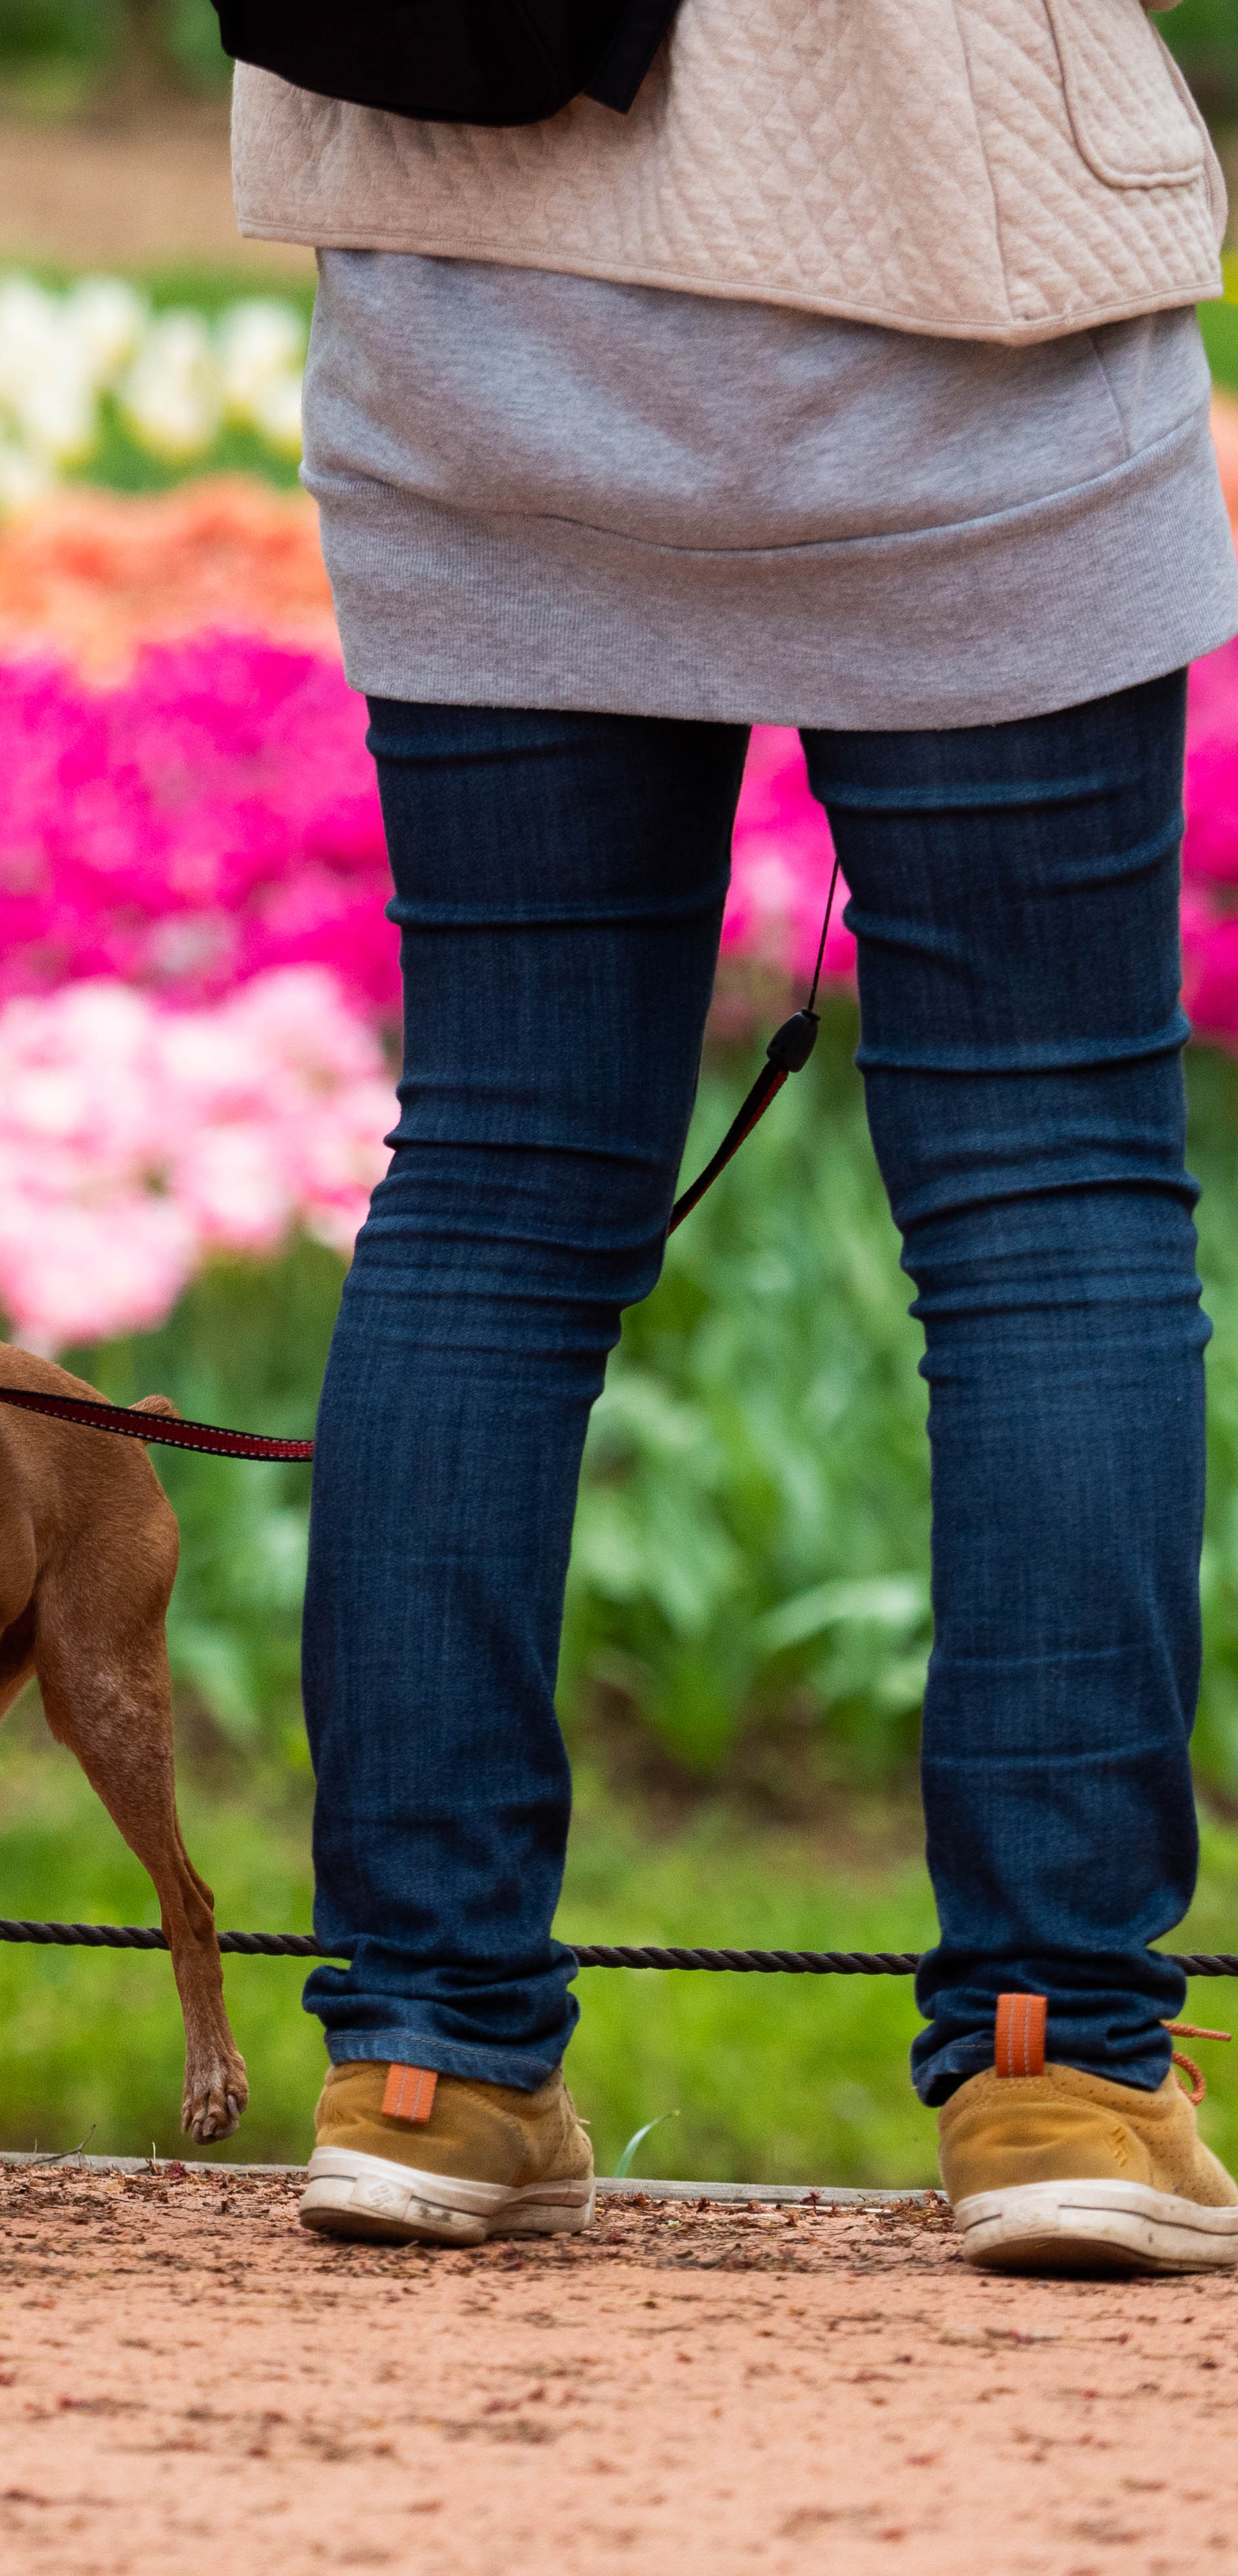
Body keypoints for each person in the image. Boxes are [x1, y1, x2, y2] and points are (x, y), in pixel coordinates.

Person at [239, 0, 1238, 2272]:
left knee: (492, 1183)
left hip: (485, 323)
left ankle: (428, 2056)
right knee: (1052, 1198)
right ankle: (1061, 2069)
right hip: (963, 309)